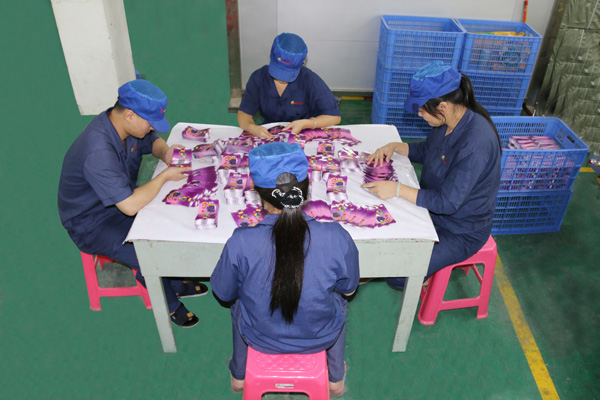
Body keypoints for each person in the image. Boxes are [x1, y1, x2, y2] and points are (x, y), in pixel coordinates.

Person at [210, 142, 359, 397]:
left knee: (238, 304)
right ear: (306, 188)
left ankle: (239, 375)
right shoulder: (336, 236)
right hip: (318, 335)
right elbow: (349, 289)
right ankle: (334, 378)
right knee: (340, 301)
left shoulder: (240, 241)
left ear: (257, 192)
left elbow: (224, 293)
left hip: (260, 336)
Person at [58, 79, 208, 327]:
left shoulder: (123, 126)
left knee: (170, 221)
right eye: (150, 122)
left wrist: (166, 152)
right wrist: (164, 176)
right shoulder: (98, 151)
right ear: (129, 115)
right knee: (148, 251)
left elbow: (152, 140)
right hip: (91, 223)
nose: (152, 127)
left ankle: (173, 281)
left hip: (119, 200)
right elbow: (129, 206)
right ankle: (170, 303)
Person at [362, 61, 501, 289]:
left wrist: (397, 189)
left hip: (460, 230)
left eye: (422, 110)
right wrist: (394, 147)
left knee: (399, 276)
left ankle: (428, 272)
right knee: (382, 233)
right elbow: (428, 150)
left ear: (442, 106)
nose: (419, 114)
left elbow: (447, 203)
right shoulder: (447, 122)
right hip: (432, 209)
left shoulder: (476, 143)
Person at [237, 32, 341, 138]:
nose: (282, 78)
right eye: (279, 70)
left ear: (301, 64)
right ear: (271, 56)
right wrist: (252, 128)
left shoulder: (310, 80)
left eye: (289, 73)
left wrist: (307, 123)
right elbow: (244, 114)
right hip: (268, 133)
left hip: (302, 133)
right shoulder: (258, 78)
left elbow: (334, 117)